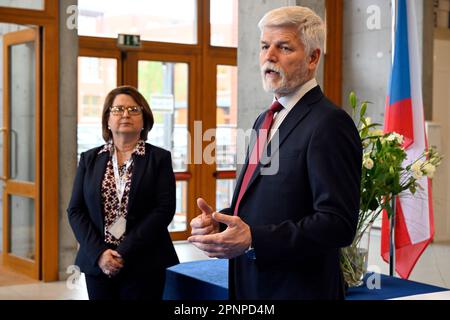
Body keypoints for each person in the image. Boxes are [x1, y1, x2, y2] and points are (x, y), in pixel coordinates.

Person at [188, 6, 362, 299]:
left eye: (283, 47)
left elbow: (338, 224)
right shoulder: (264, 119)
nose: (269, 56)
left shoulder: (330, 123)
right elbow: (262, 204)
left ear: (312, 57)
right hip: (251, 283)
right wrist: (221, 222)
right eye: (264, 46)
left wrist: (254, 238)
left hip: (297, 289)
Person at [67, 85, 179, 300]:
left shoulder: (159, 159)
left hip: (145, 260)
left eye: (134, 110)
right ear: (107, 120)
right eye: (117, 109)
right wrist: (100, 254)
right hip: (98, 261)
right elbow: (75, 210)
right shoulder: (90, 159)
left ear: (144, 120)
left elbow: (164, 210)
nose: (125, 114)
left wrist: (123, 252)